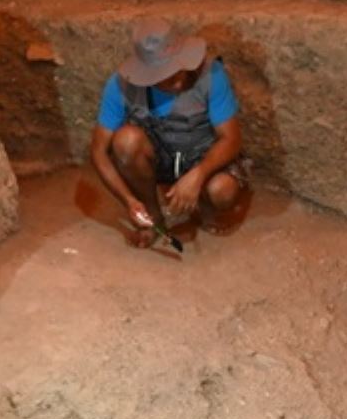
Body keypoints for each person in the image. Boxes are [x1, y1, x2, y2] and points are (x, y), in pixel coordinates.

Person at [88, 18, 246, 247]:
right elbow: (98, 152)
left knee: (222, 191)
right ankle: (154, 215)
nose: (179, 82)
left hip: (202, 155)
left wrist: (198, 175)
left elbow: (232, 139)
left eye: (179, 70)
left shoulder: (211, 74)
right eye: (166, 77)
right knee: (126, 141)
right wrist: (129, 201)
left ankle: (202, 205)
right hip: (161, 157)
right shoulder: (121, 85)